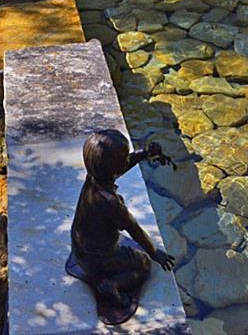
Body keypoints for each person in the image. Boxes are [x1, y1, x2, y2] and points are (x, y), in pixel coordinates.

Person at [66, 129, 176, 325]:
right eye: (125, 158)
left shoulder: (93, 178)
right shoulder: (111, 203)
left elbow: (118, 168)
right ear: (115, 169)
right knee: (143, 264)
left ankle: (102, 271)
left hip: (79, 250)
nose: (127, 160)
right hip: (97, 260)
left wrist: (144, 153)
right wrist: (154, 252)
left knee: (123, 245)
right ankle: (110, 285)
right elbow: (134, 229)